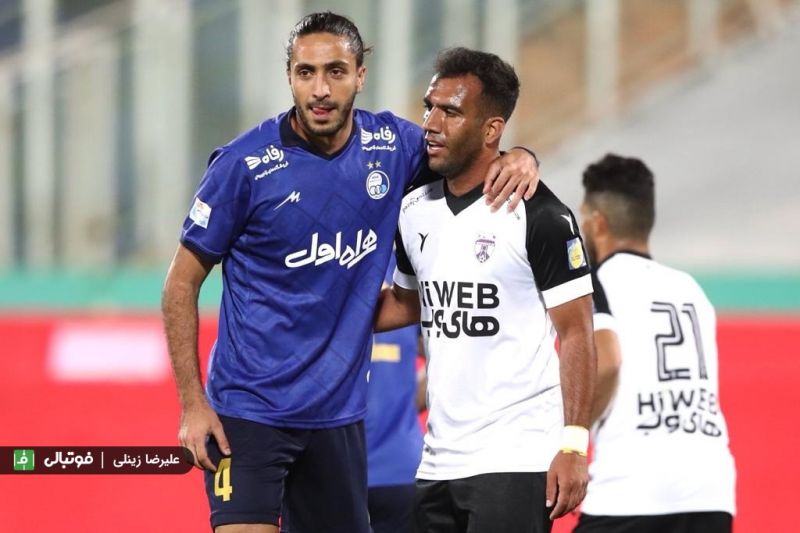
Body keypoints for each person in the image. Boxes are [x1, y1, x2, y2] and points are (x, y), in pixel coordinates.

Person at [160, 12, 541, 533]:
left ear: (360, 76)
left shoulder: (394, 147)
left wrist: (521, 154)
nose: (320, 89)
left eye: (335, 71)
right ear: (289, 76)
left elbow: (467, 152)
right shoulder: (243, 166)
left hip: (337, 418)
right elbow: (180, 283)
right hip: (249, 414)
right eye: (306, 72)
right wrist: (192, 403)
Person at [374, 47, 596, 533]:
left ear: (491, 129)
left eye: (450, 112)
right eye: (429, 107)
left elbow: (578, 332)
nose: (431, 124)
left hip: (515, 459)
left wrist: (574, 446)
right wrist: (318, 307)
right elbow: (407, 304)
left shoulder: (539, 216)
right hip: (436, 463)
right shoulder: (414, 211)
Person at [573, 154, 736, 533]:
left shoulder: (595, 284)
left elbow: (608, 364)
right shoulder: (690, 289)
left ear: (598, 222)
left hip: (632, 490)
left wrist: (569, 441)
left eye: (584, 218)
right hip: (710, 492)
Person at [366, 258, 425, 533]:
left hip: (394, 469)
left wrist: (405, 401)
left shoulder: (406, 264)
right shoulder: (406, 265)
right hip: (398, 465)